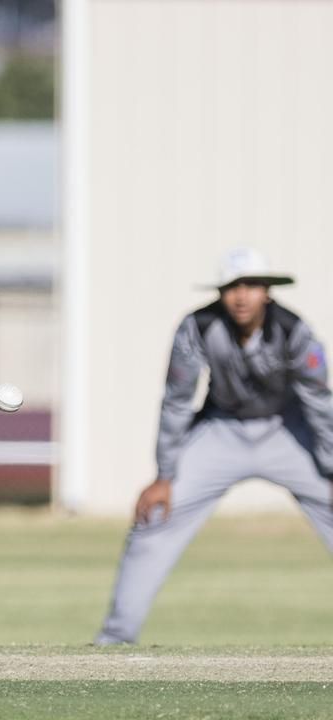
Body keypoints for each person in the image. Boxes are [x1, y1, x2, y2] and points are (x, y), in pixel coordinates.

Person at [95, 248, 333, 645]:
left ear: (268, 292)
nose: (241, 296)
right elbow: (176, 400)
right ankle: (115, 639)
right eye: (232, 287)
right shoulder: (198, 326)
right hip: (222, 431)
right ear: (220, 293)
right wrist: (165, 475)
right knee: (155, 514)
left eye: (252, 286)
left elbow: (320, 402)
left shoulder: (295, 331)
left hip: (287, 431)